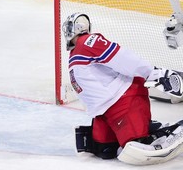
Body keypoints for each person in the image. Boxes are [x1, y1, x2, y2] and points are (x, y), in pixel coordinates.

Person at [62, 12, 183, 165]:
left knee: (137, 142)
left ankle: (165, 131)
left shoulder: (87, 42)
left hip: (124, 99)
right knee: (104, 149)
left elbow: (121, 57)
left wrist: (155, 74)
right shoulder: (76, 53)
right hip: (104, 112)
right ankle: (148, 126)